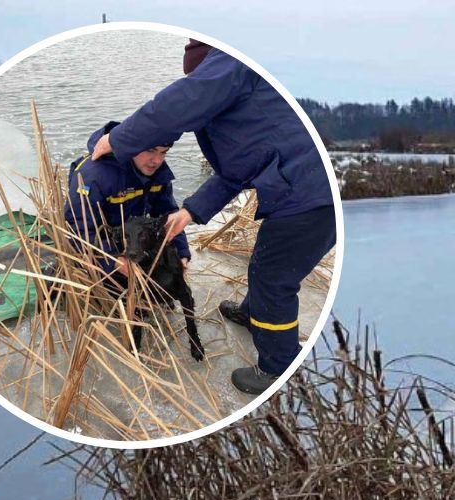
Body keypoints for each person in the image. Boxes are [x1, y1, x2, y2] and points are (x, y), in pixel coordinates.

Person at [90, 40, 335, 396]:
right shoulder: (245, 110)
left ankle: (278, 367)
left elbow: (178, 102)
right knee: (267, 261)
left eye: (199, 75)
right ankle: (254, 314)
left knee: (273, 278)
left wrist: (118, 138)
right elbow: (235, 174)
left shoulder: (230, 59)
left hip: (308, 196)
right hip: (307, 190)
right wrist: (190, 211)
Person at [64, 121, 191, 279]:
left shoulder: (157, 172)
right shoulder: (92, 176)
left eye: (163, 153)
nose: (157, 161)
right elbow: (78, 230)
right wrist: (113, 261)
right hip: (102, 252)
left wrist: (181, 252)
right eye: (151, 151)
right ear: (131, 146)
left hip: (136, 243)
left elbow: (168, 215)